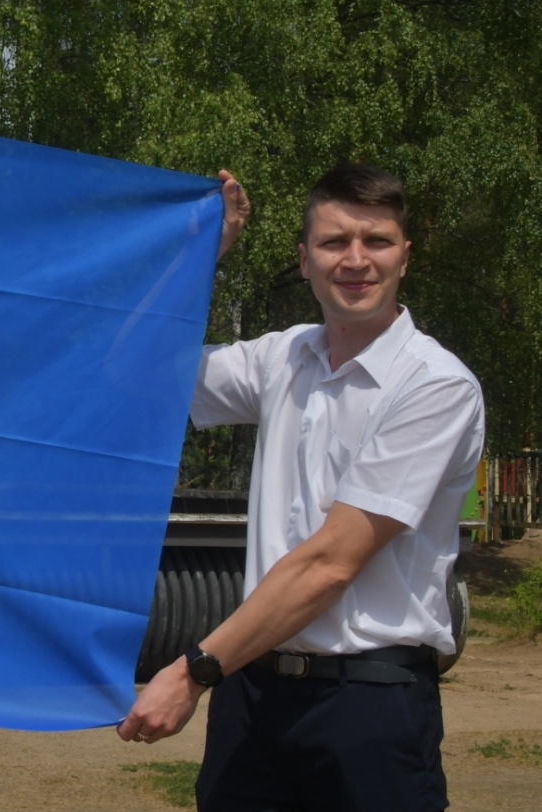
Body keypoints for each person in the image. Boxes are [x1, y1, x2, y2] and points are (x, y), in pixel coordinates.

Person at [118, 164, 483, 812]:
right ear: (305, 260)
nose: (356, 259)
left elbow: (329, 564)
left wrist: (192, 669)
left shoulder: (434, 386)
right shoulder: (282, 359)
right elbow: (136, 360)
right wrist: (207, 252)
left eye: (376, 240)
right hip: (253, 699)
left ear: (405, 255)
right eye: (334, 242)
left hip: (367, 706)